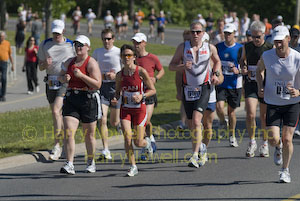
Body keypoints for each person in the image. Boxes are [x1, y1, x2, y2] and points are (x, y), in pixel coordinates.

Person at [169, 21, 222, 168]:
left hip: (204, 87)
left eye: (198, 32)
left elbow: (217, 62)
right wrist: (181, 66)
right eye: (193, 32)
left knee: (198, 121)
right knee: (192, 124)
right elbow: (171, 66)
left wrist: (216, 74)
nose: (195, 35)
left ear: (204, 33)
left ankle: (194, 155)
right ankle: (201, 149)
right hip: (188, 89)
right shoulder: (182, 47)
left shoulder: (209, 47)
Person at [256, 25, 300, 183]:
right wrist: (260, 85)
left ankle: (285, 170)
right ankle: (278, 147)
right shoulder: (267, 56)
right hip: (273, 102)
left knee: (288, 138)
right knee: (274, 139)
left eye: (281, 41)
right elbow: (259, 71)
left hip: (292, 103)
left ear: (288, 39)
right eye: (275, 42)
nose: (278, 45)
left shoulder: (297, 58)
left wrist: (299, 91)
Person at [59, 35, 102, 175]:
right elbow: (60, 76)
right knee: (68, 132)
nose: (78, 47)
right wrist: (64, 78)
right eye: (76, 44)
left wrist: (82, 76)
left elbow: (97, 84)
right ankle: (69, 163)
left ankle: (91, 162)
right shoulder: (69, 62)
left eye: (81, 45)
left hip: (87, 99)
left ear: (88, 47)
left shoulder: (91, 63)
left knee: (89, 135)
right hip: (71, 98)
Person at [112, 44, 156, 176]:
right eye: (124, 55)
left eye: (129, 55)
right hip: (125, 109)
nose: (126, 58)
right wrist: (115, 98)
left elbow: (153, 90)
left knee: (138, 142)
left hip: (139, 110)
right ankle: (132, 166)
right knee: (127, 137)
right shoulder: (120, 75)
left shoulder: (141, 71)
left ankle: (147, 143)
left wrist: (142, 96)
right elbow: (118, 92)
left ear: (134, 57)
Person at [38, 19, 75, 161]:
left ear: (63, 31)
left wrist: (69, 75)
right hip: (50, 81)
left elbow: (74, 63)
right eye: (54, 33)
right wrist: (44, 64)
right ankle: (63, 144)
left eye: (58, 33)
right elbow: (40, 67)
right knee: (57, 115)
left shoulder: (70, 45)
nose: (56, 36)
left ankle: (57, 145)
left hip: (64, 82)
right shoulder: (45, 44)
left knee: (56, 111)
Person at [239, 21, 273, 158]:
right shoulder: (246, 46)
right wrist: (244, 67)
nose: (255, 40)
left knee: (264, 116)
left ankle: (264, 143)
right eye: (253, 37)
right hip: (251, 83)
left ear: (264, 34)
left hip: (266, 84)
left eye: (258, 37)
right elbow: (242, 60)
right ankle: (252, 141)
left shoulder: (269, 47)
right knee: (251, 113)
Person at [131, 32, 165, 159]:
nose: (136, 45)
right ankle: (149, 139)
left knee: (146, 121)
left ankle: (148, 141)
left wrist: (156, 78)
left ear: (144, 43)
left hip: (149, 94)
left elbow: (161, 70)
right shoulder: (133, 58)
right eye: (135, 42)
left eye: (138, 42)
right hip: (136, 94)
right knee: (140, 122)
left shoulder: (152, 58)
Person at [92, 29, 122, 160]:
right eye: (104, 39)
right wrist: (102, 75)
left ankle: (119, 123)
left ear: (113, 39)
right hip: (102, 87)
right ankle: (106, 149)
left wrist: (115, 76)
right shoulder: (97, 52)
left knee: (114, 122)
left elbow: (125, 71)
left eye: (109, 39)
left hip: (116, 88)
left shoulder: (119, 52)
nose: (106, 41)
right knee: (102, 119)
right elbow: (91, 67)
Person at [215, 23, 243, 147]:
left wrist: (239, 70)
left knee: (231, 112)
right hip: (221, 82)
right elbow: (214, 62)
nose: (227, 36)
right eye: (225, 33)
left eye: (229, 33)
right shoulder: (218, 47)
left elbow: (245, 65)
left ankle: (232, 135)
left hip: (235, 84)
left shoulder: (240, 48)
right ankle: (222, 121)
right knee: (219, 106)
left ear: (234, 34)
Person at [0, 31, 14, 102]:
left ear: (4, 37)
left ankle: (3, 94)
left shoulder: (7, 43)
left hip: (4, 63)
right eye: (0, 36)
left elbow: (10, 55)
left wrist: (12, 65)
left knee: (4, 78)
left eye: (2, 36)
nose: (1, 38)